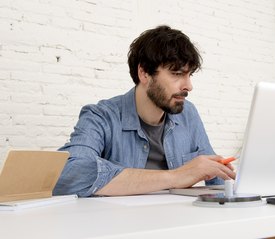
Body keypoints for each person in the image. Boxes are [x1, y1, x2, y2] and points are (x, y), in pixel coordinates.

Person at [53, 25, 235, 197]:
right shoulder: (101, 116)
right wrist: (177, 176)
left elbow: (216, 177)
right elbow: (68, 175)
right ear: (144, 73)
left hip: (178, 222)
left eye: (189, 75)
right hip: (122, 226)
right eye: (177, 74)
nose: (188, 86)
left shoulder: (188, 114)